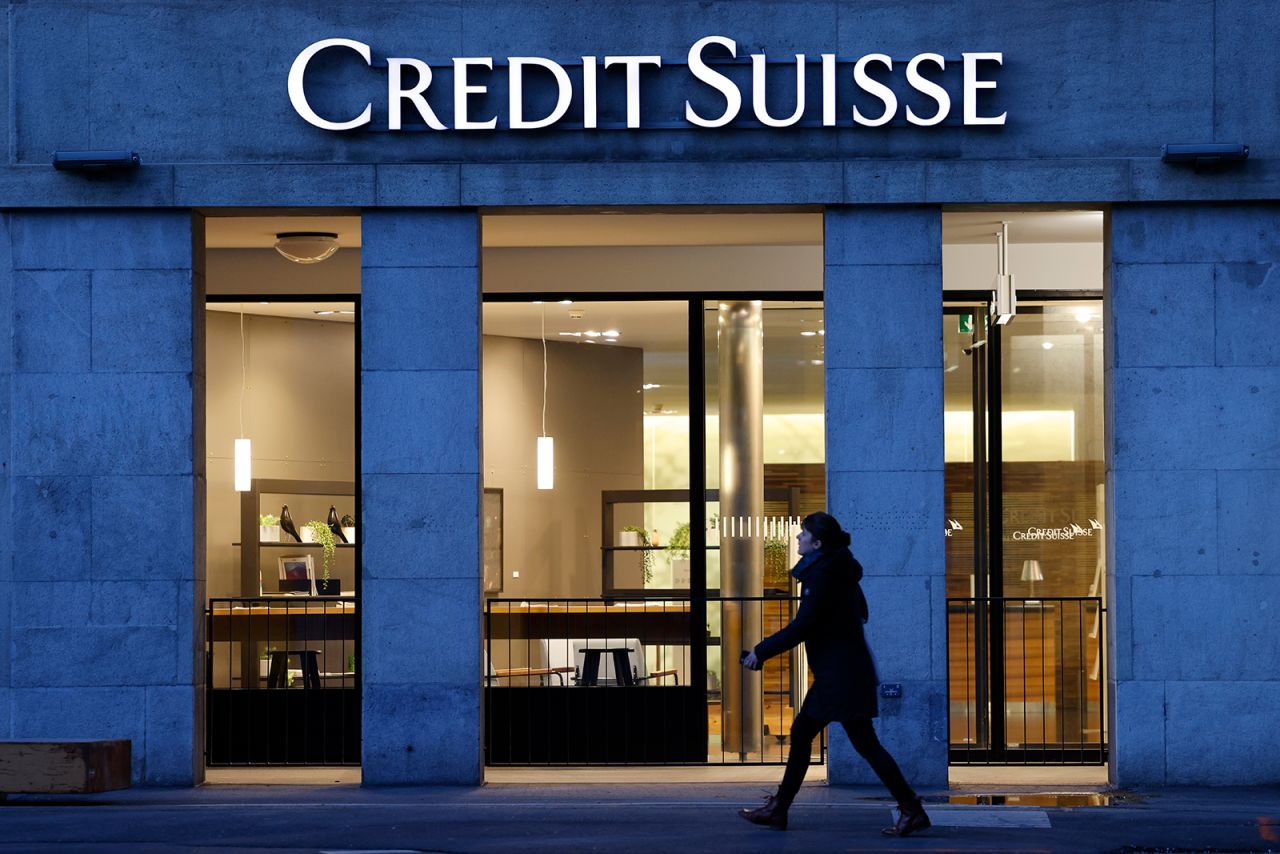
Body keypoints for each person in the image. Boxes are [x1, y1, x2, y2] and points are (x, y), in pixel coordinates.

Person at [737, 511, 930, 837]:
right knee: (818, 737)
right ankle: (779, 809)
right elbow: (859, 614)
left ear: (818, 542)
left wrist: (761, 652)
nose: (798, 538)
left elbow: (804, 625)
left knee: (857, 743)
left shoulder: (824, 575)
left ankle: (910, 808)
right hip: (843, 673)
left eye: (803, 534)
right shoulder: (838, 571)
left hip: (840, 677)